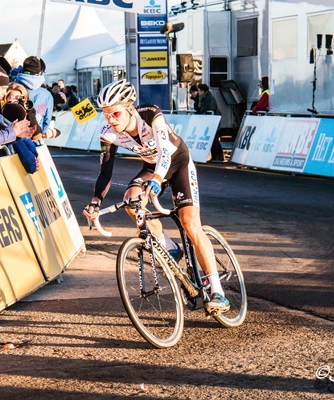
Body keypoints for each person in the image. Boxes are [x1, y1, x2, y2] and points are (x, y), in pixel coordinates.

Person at [82, 79, 230, 315]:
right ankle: (169, 247)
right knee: (131, 201)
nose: (110, 119)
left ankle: (217, 291)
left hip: (177, 163)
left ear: (130, 108)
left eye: (116, 113)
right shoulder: (108, 134)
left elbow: (165, 153)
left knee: (190, 223)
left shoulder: (151, 115)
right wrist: (95, 202)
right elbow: (105, 172)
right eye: (106, 114)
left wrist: (159, 178)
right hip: (152, 167)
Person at [14, 56, 54, 136]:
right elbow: (47, 120)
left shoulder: (13, 88)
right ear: (40, 72)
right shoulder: (46, 95)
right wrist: (40, 133)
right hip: (36, 137)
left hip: (14, 137)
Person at [197, 84, 224, 162]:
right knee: (214, 139)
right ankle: (218, 156)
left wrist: (201, 110)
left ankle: (216, 156)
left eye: (199, 90)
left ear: (203, 91)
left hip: (213, 121)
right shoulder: (204, 97)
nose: (198, 92)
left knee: (214, 139)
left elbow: (209, 108)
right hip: (212, 120)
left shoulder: (209, 98)